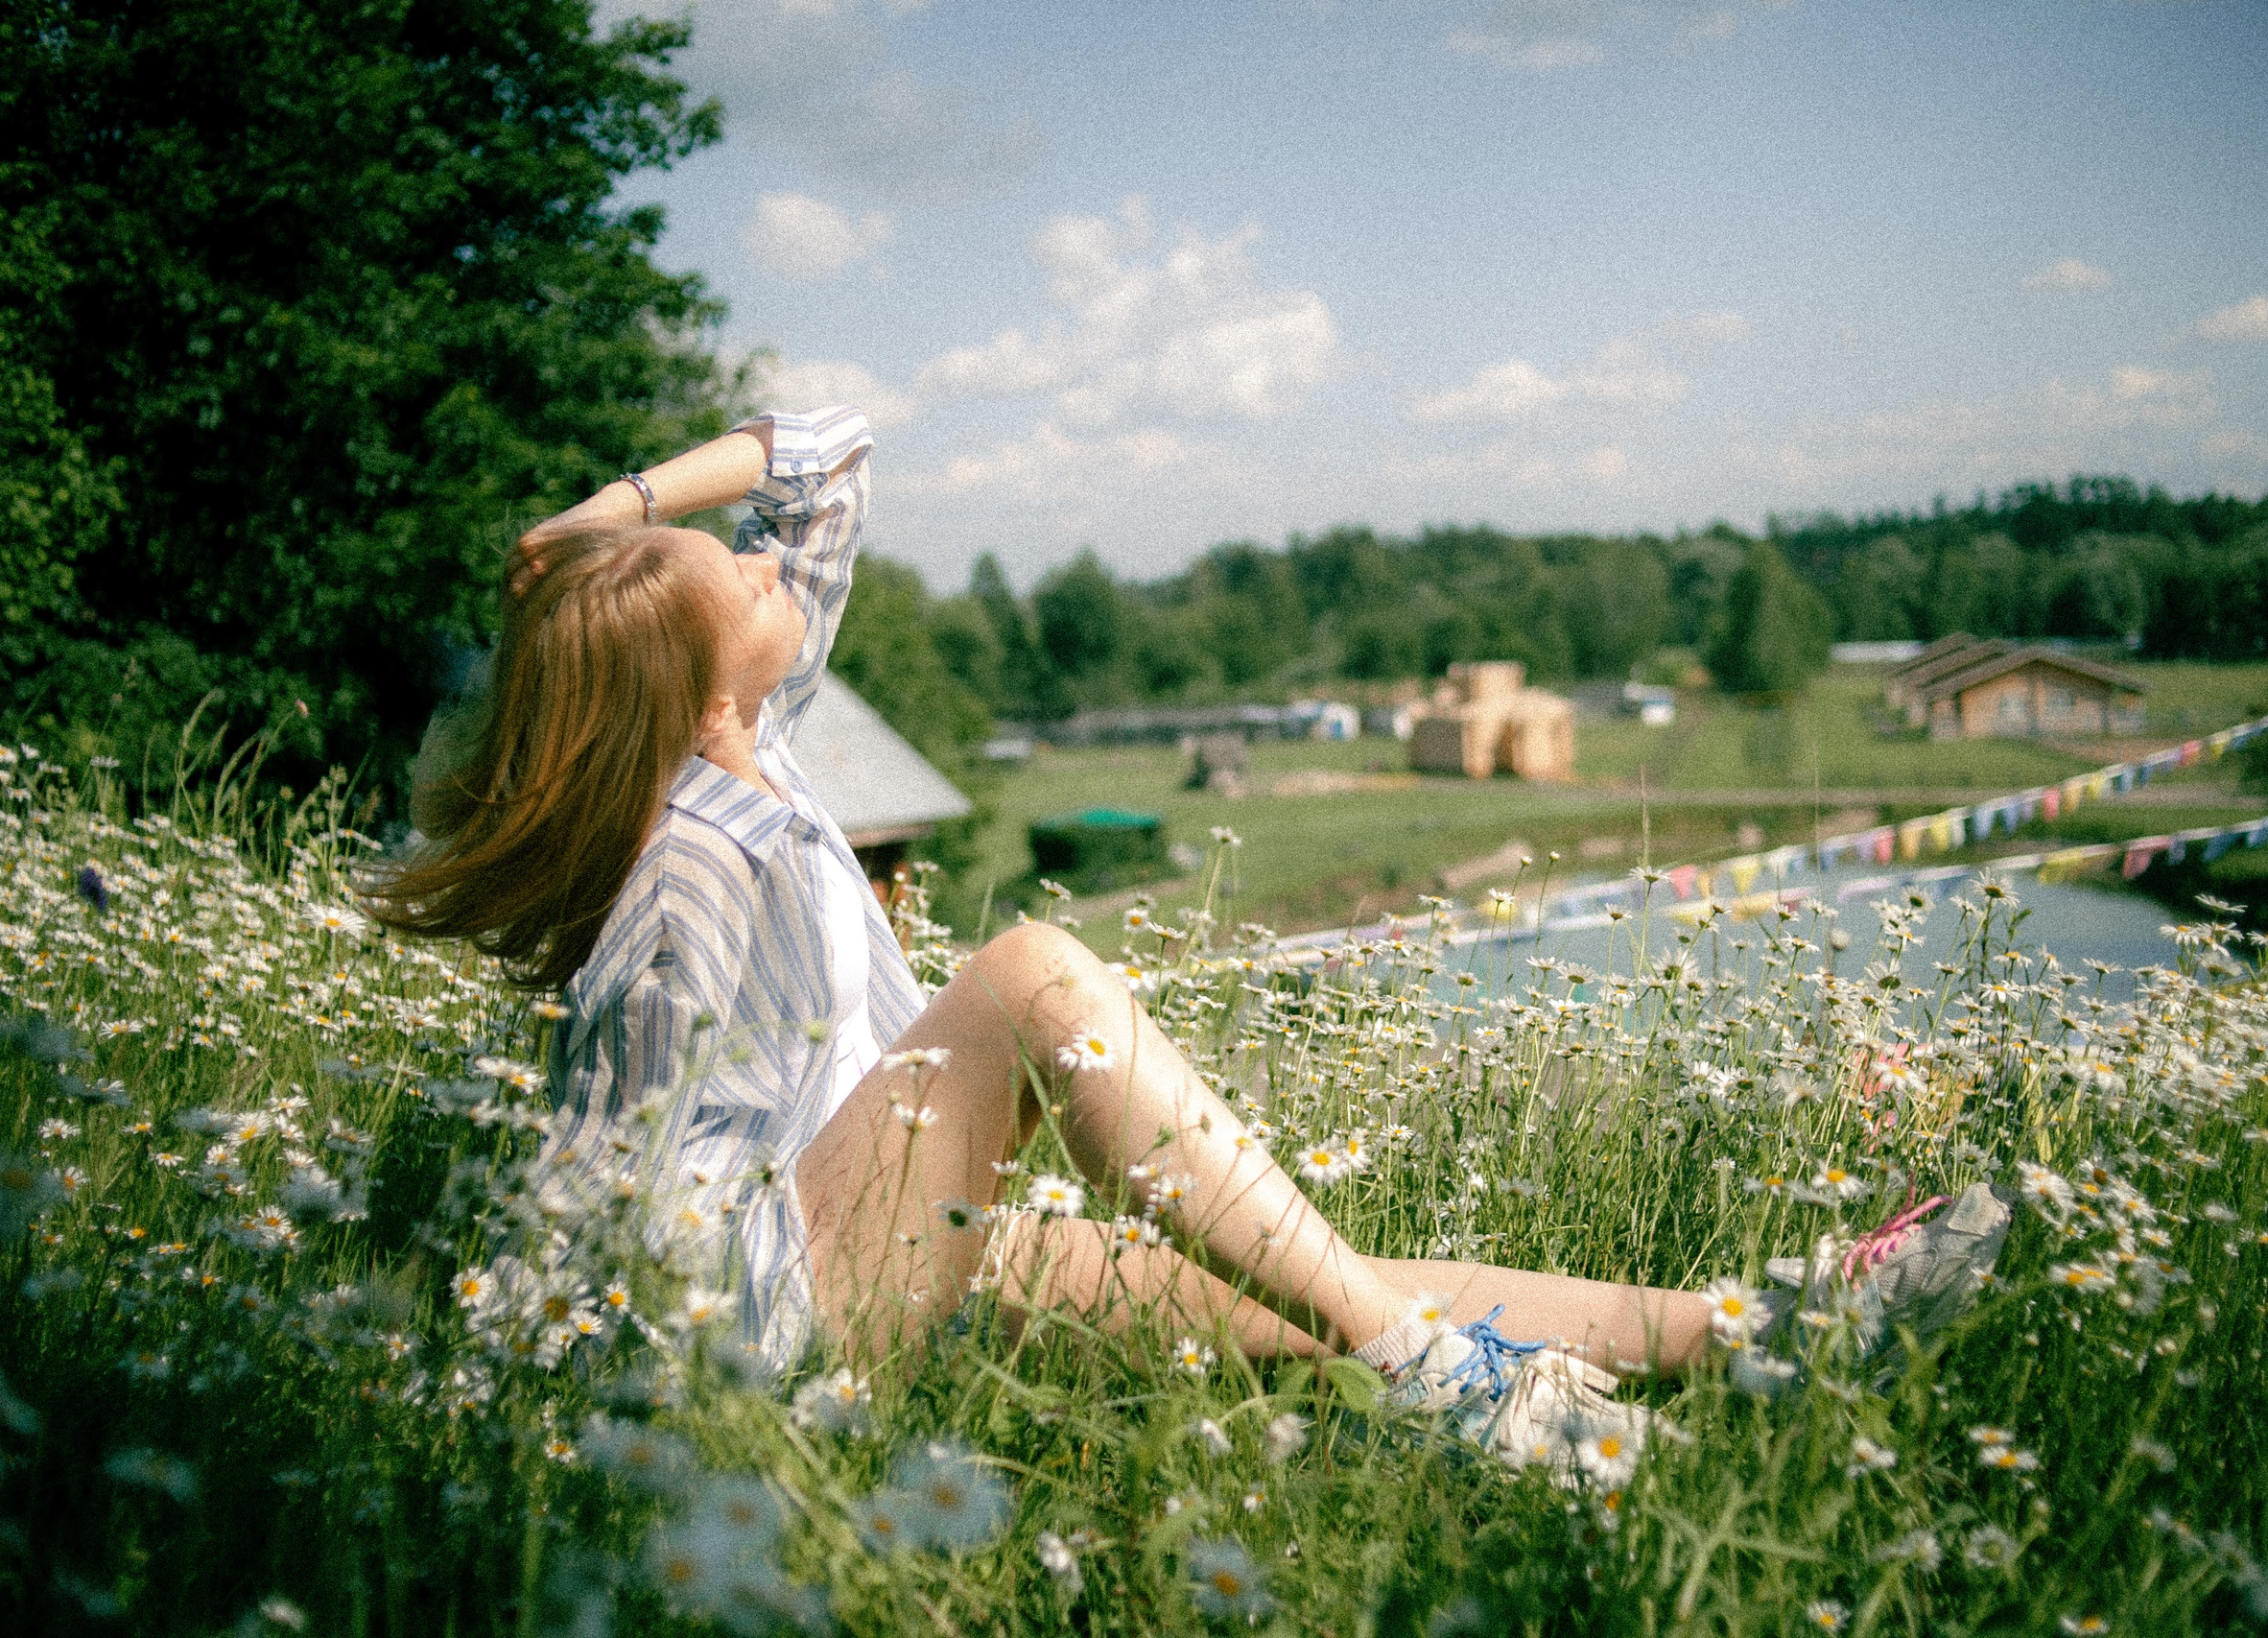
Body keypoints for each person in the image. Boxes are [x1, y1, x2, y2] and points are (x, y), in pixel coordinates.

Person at [368, 406, 2005, 1465]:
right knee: (1025, 977)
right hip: (745, 1317)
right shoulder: (685, 866)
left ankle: (1761, 1330)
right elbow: (606, 1173)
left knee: (1299, 1294)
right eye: (725, 571)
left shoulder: (758, 745)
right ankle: (1460, 1402)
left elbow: (826, 453)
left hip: (867, 1224)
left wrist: (620, 506)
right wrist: (522, 1384)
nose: (759, 556)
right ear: (707, 683)